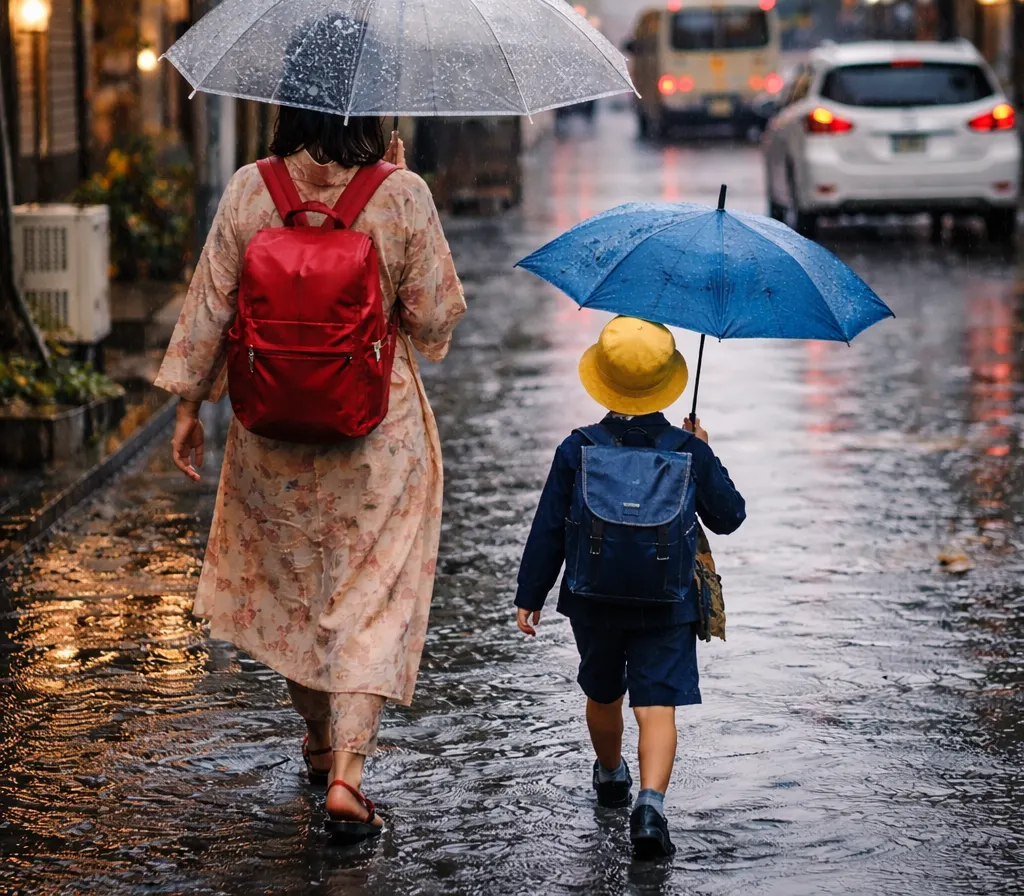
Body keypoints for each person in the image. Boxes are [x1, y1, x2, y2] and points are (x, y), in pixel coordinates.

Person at [155, 107, 466, 841]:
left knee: (297, 597)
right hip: (375, 440)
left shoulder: (247, 190)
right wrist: (395, 177)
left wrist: (188, 410)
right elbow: (434, 321)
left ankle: (319, 740)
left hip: (271, 435)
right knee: (368, 602)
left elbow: (208, 309)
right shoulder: (400, 194)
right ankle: (348, 777)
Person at [514, 316, 745, 859]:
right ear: (669, 380)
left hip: (592, 597)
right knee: (656, 704)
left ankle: (612, 775)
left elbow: (548, 527)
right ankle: (650, 805)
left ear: (602, 378)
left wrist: (531, 594)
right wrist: (701, 450)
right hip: (668, 600)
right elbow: (729, 517)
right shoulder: (688, 451)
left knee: (602, 692)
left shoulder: (578, 448)